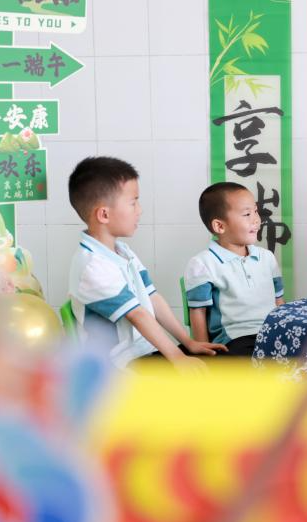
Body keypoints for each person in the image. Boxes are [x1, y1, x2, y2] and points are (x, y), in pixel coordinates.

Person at [67, 156, 225, 372]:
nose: (139, 210)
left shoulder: (122, 251)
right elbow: (137, 315)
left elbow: (153, 298)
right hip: (118, 365)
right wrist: (178, 358)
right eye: (133, 203)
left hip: (143, 353)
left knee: (217, 363)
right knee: (205, 377)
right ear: (104, 214)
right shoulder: (92, 267)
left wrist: (189, 343)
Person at [183, 182, 285, 357]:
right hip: (236, 339)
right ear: (220, 226)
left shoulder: (267, 257)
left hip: (274, 333)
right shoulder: (202, 264)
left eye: (255, 211)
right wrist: (204, 353)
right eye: (247, 214)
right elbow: (198, 312)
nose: (256, 219)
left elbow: (279, 301)